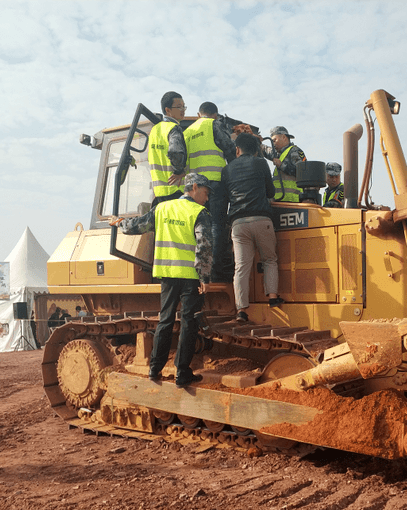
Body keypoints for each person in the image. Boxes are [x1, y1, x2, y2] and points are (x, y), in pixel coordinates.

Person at [112, 172, 214, 387]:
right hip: (189, 277)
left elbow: (137, 226)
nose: (207, 198)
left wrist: (119, 223)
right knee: (189, 323)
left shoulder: (162, 208)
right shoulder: (200, 212)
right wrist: (205, 276)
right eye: (205, 193)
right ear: (194, 187)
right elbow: (204, 245)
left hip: (167, 274)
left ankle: (154, 368)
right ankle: (182, 372)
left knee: (165, 320)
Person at [221, 133, 282, 323]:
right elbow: (271, 191)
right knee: (270, 259)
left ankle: (241, 310)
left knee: (241, 267)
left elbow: (225, 198)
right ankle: (272, 298)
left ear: (237, 149)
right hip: (261, 218)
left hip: (238, 224)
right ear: (256, 150)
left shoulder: (227, 169)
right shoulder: (260, 163)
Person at [183, 101, 237, 283]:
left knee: (197, 228)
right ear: (215, 115)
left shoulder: (187, 132)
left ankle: (198, 269)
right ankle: (215, 270)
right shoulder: (213, 124)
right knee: (217, 225)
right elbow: (229, 148)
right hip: (215, 182)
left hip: (194, 187)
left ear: (199, 114)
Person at [148, 91, 188, 211]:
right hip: (175, 189)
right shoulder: (173, 128)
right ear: (168, 110)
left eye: (184, 106)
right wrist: (179, 171)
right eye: (179, 107)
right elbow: (175, 151)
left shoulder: (154, 130)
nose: (183, 110)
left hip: (159, 192)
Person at [262, 126, 306, 203]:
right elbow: (266, 150)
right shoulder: (279, 154)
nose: (273, 143)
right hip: (279, 200)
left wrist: (281, 165)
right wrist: (257, 142)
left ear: (283, 137)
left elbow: (302, 172)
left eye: (275, 140)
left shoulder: (294, 151)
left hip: (292, 200)